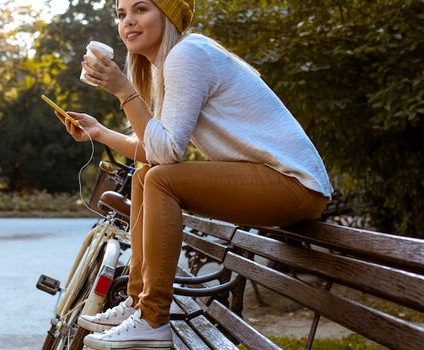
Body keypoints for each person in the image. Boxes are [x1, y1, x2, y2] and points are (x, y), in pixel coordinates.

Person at [53, 0, 333, 348]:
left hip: (294, 184)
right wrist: (100, 133)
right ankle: (138, 304)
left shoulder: (188, 55)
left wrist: (125, 91)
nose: (128, 22)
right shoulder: (167, 66)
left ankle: (153, 319)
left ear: (167, 15)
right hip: (271, 180)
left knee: (158, 178)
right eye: (121, 14)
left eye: (140, 9)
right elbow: (155, 151)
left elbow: (165, 154)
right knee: (145, 176)